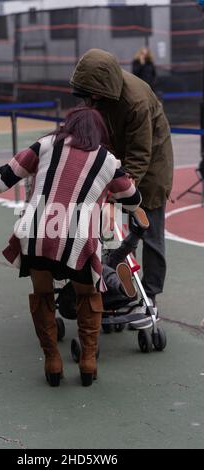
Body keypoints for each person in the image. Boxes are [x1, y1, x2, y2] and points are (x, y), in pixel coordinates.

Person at [0, 106, 142, 388]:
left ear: (68, 125)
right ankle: (88, 361)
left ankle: (52, 361)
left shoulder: (46, 144)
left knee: (43, 294)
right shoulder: (107, 161)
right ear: (99, 131)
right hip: (78, 240)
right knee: (87, 296)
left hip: (37, 233)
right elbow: (132, 200)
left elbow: (7, 173)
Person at [70, 49, 174, 318]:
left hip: (151, 165)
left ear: (102, 89)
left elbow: (141, 154)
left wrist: (121, 190)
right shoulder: (97, 91)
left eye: (91, 96)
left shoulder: (135, 101)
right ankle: (113, 285)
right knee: (102, 229)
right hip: (116, 157)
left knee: (148, 228)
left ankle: (149, 295)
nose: (88, 101)